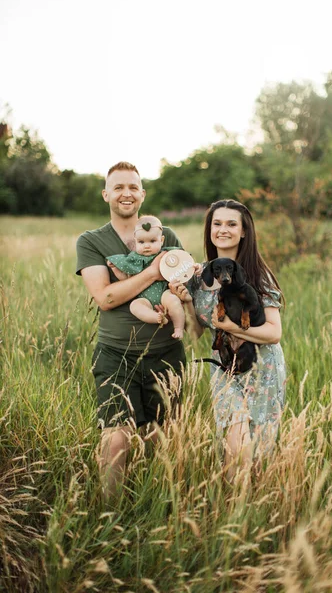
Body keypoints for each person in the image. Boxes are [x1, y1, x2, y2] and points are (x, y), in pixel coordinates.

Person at [76, 162, 186, 505]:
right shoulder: (92, 241)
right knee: (116, 439)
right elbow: (106, 298)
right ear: (106, 194)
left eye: (133, 187)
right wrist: (154, 272)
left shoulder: (166, 234)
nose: (126, 193)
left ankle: (157, 508)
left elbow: (182, 280)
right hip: (116, 354)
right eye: (119, 187)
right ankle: (111, 515)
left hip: (166, 352)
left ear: (142, 194)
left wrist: (182, 294)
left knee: (162, 438)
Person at [170, 199, 286, 484]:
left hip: (262, 367)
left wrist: (230, 326)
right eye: (217, 223)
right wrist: (185, 301)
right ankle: (232, 508)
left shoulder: (258, 274)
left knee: (259, 452)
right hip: (224, 367)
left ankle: (252, 514)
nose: (223, 230)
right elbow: (198, 334)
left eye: (231, 224)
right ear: (209, 229)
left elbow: (273, 333)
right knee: (236, 441)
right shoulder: (198, 276)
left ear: (244, 231)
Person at [106, 214, 189, 340]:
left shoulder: (167, 254)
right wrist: (115, 269)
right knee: (135, 306)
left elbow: (183, 263)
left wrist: (194, 267)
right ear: (135, 241)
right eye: (141, 242)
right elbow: (126, 279)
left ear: (161, 240)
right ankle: (156, 318)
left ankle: (178, 328)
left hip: (164, 292)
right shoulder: (133, 259)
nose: (146, 246)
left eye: (152, 241)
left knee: (173, 301)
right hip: (144, 297)